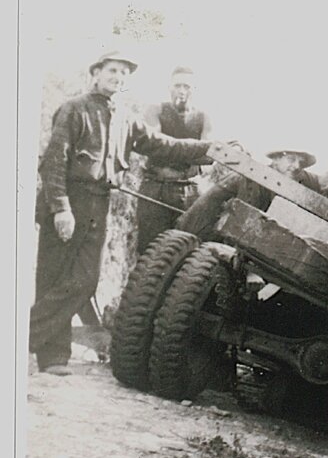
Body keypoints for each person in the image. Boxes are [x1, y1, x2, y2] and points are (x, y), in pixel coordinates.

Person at [31, 51, 220, 376]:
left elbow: (165, 145)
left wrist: (211, 150)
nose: (117, 77)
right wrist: (60, 208)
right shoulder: (75, 109)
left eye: (123, 73)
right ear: (96, 72)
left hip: (99, 202)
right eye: (112, 71)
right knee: (53, 278)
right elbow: (54, 162)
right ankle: (52, 357)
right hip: (69, 200)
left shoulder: (125, 118)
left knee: (85, 279)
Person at [135, 66, 212, 253]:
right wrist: (194, 152)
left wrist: (188, 154)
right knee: (150, 249)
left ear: (194, 90)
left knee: (188, 249)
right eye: (178, 85)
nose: (182, 91)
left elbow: (210, 156)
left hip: (190, 189)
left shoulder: (203, 117)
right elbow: (156, 146)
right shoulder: (156, 110)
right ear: (169, 87)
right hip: (157, 187)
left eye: (187, 86)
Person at [175, 149, 323, 239]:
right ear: (276, 159)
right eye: (291, 159)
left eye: (301, 163)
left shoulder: (278, 184)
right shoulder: (256, 178)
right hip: (199, 235)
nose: (297, 166)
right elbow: (242, 224)